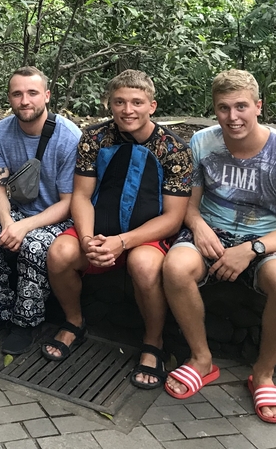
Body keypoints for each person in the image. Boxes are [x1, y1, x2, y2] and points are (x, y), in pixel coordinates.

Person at [163, 70, 276, 423]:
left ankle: (263, 374)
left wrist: (252, 249)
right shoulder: (202, 142)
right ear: (214, 111)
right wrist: (198, 226)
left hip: (266, 241)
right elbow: (187, 202)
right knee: (175, 266)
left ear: (258, 106)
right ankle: (201, 358)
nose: (233, 117)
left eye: (242, 107)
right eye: (223, 108)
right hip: (211, 233)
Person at [42, 70, 193, 389]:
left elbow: (173, 218)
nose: (128, 110)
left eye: (137, 102)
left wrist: (123, 242)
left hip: (145, 237)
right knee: (59, 253)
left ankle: (153, 342)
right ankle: (74, 321)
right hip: (97, 231)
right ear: (109, 104)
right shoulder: (94, 137)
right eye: (120, 102)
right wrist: (86, 239)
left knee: (144, 265)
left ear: (152, 106)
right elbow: (81, 196)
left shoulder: (173, 148)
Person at [0, 67, 81, 355]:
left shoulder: (68, 137)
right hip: (18, 211)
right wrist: (8, 223)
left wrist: (25, 228)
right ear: (9, 98)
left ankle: (26, 323)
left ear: (46, 95)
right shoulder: (2, 132)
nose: (25, 101)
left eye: (32, 93)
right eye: (17, 94)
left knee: (34, 245)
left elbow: (68, 202)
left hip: (57, 216)